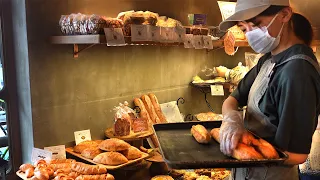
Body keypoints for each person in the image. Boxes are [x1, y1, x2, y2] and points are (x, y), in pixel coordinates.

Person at [217, 0, 320, 179]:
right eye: (244, 29)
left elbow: (297, 154)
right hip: (248, 172)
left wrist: (251, 152)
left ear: (285, 15)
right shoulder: (268, 59)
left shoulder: (297, 72)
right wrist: (231, 119)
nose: (250, 34)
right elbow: (232, 100)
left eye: (256, 24)